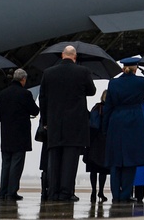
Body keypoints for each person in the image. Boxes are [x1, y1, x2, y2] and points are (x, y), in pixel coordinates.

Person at [39, 45, 97, 201]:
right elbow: (92, 91)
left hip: (54, 124)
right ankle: (66, 193)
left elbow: (42, 99)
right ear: (75, 57)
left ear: (62, 55)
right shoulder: (83, 72)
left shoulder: (48, 73)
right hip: (75, 125)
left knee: (54, 159)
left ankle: (53, 192)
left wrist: (45, 121)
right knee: (70, 161)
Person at [104, 57, 144, 203]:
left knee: (116, 162)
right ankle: (125, 195)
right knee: (131, 161)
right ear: (136, 68)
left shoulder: (113, 83)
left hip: (116, 122)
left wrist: (106, 129)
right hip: (133, 122)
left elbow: (107, 107)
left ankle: (116, 196)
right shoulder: (140, 82)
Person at [0, 68, 39, 201]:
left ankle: (3, 191)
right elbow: (35, 111)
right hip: (20, 135)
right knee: (16, 164)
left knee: (6, 163)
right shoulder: (25, 94)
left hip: (6, 134)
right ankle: (11, 192)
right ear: (23, 79)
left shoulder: (3, 94)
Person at [85, 90, 109, 202]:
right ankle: (101, 191)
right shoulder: (110, 110)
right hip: (105, 142)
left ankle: (93, 191)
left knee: (93, 169)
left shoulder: (96, 108)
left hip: (94, 141)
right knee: (103, 170)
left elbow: (91, 124)